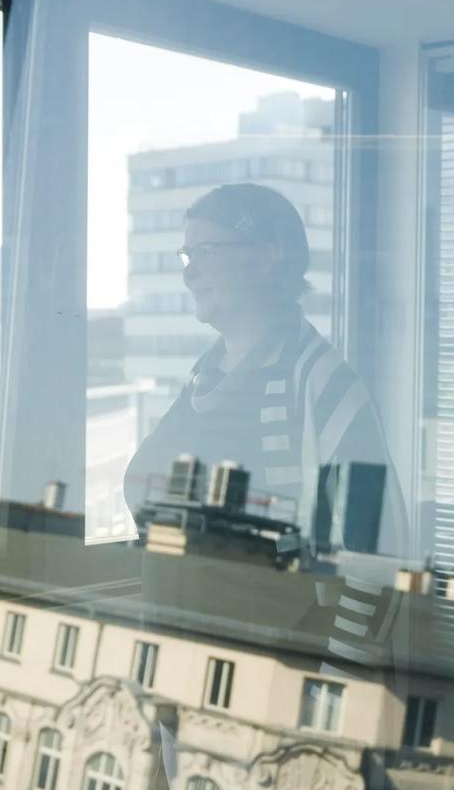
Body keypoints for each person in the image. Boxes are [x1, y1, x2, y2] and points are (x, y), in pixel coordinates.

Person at [123, 183, 406, 677]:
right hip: (181, 676)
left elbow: (374, 561)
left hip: (272, 701)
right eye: (186, 254)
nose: (190, 272)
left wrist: (329, 702)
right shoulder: (202, 376)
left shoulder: (323, 386)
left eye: (207, 251)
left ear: (266, 257)